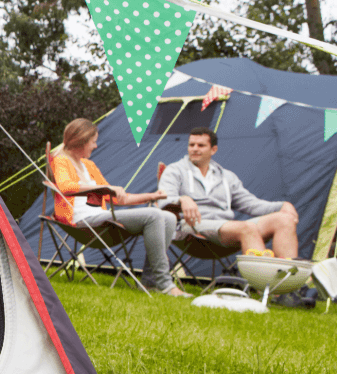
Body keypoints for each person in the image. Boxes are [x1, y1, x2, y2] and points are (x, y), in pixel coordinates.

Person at [50, 118, 190, 297]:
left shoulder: (88, 165)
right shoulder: (62, 160)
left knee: (168, 217)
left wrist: (152, 196)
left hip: (101, 217)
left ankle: (150, 282)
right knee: (154, 216)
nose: (96, 146)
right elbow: (65, 187)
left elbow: (117, 199)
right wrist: (105, 189)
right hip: (81, 221)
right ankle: (165, 284)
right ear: (82, 140)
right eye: (93, 141)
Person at [157, 127, 299, 258]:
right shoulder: (175, 170)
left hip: (226, 229)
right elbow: (163, 198)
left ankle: (288, 280)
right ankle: (264, 282)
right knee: (248, 228)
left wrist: (282, 206)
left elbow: (251, 204)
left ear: (213, 150)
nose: (194, 149)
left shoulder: (227, 177)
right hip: (193, 228)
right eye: (191, 145)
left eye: (200, 145)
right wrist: (182, 199)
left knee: (284, 220)